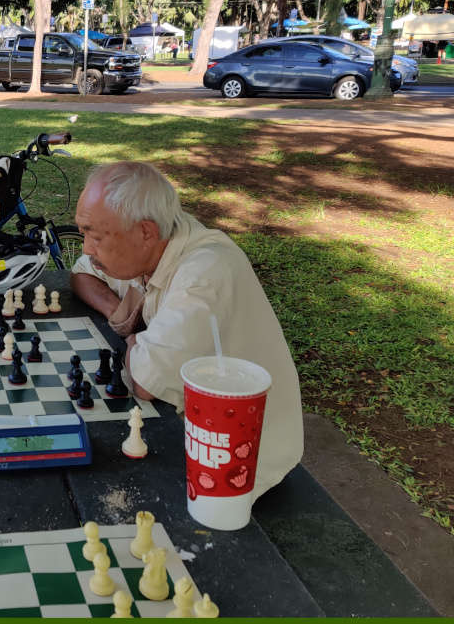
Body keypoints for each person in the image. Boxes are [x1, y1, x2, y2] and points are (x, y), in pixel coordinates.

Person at [70, 161, 303, 499]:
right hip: (193, 435)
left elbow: (146, 383)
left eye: (95, 235)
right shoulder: (152, 245)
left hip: (241, 468)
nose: (87, 248)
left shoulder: (204, 273)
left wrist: (135, 339)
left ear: (145, 232)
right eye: (83, 233)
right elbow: (81, 275)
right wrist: (121, 314)